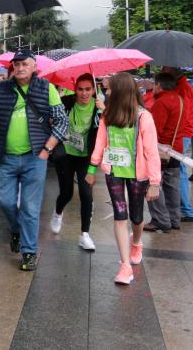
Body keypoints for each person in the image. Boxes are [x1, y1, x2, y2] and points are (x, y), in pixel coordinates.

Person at [0, 47, 68, 271]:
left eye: (24, 64)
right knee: (6, 201)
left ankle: (29, 251)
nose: (19, 67)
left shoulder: (46, 88)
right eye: (16, 64)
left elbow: (62, 121)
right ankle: (16, 230)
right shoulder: (0, 88)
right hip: (5, 158)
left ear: (34, 67)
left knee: (30, 207)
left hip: (34, 159)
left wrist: (46, 150)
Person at [86, 73, 161, 285]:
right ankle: (125, 265)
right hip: (114, 173)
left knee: (136, 217)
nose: (106, 92)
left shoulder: (144, 117)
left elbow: (152, 151)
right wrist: (92, 169)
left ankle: (137, 242)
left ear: (120, 92)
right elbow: (100, 144)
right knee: (120, 215)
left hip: (138, 174)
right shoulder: (107, 116)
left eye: (109, 89)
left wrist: (155, 182)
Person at [50, 74, 103, 250]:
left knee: (86, 194)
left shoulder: (99, 108)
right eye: (80, 89)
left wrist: (105, 111)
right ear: (75, 89)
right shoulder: (65, 102)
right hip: (65, 154)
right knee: (66, 193)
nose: (84, 93)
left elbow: (113, 126)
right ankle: (58, 213)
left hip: (86, 157)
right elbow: (53, 119)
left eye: (88, 89)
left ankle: (85, 234)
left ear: (93, 90)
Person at [144, 72, 185, 232]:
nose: (153, 87)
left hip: (161, 151)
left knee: (153, 184)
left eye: (154, 84)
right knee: (172, 186)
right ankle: (175, 219)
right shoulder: (179, 99)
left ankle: (160, 220)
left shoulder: (162, 102)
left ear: (159, 85)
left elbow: (155, 130)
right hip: (176, 149)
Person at [161, 67, 193, 223]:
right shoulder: (181, 86)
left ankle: (185, 209)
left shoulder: (183, 88)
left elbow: (183, 114)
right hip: (181, 133)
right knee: (177, 170)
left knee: (179, 170)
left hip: (181, 133)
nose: (162, 69)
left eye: (164, 68)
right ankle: (182, 209)